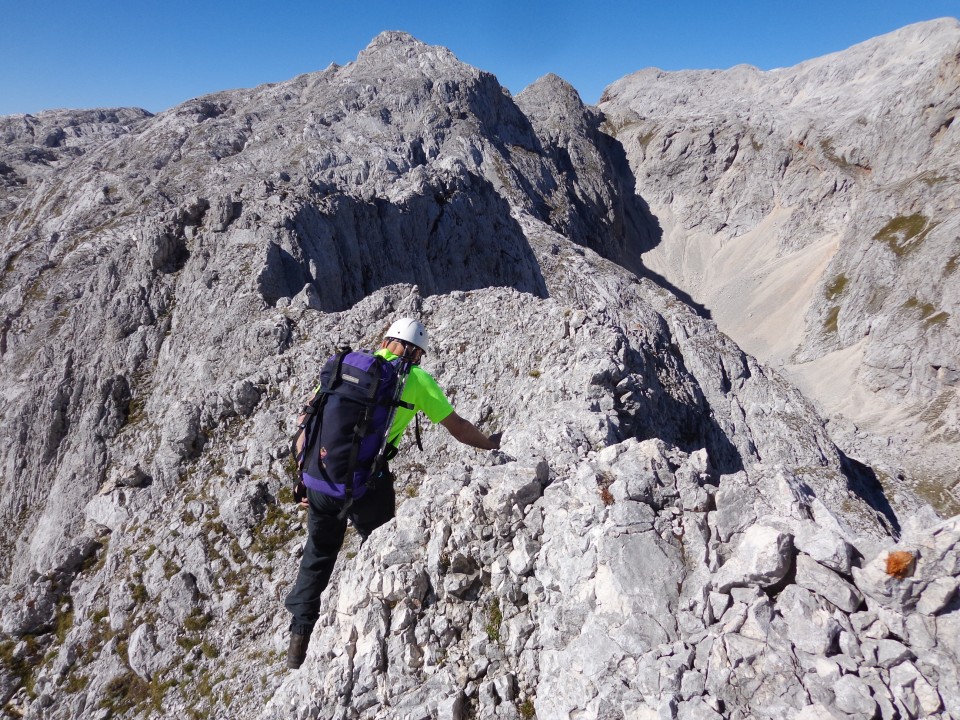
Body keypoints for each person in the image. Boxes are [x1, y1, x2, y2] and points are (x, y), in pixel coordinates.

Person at [284, 318, 501, 670]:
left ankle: (298, 642)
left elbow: (309, 419)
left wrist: (305, 479)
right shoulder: (414, 379)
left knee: (318, 554)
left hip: (320, 479)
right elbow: (458, 427)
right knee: (385, 549)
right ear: (415, 351)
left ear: (386, 340)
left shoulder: (346, 365)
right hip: (368, 485)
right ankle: (389, 631)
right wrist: (491, 445)